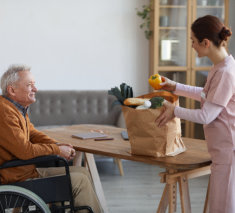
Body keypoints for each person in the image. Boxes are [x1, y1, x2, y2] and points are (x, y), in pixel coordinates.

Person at [155, 15, 235, 213]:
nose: (191, 45)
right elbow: (206, 95)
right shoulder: (220, 67)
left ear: (205, 43)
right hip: (222, 150)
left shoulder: (225, 72)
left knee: (222, 208)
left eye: (193, 41)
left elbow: (206, 115)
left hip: (228, 151)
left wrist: (175, 110)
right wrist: (175, 86)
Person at [0, 64, 103, 213]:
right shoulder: (5, 112)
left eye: (34, 84)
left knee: (82, 173)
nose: (35, 89)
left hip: (25, 172)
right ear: (12, 90)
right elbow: (25, 150)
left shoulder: (15, 108)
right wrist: (57, 150)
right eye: (29, 85)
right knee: (79, 181)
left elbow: (33, 133)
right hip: (16, 179)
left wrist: (57, 144)